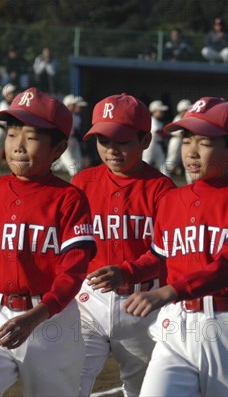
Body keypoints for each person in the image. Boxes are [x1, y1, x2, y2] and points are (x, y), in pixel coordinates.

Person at [122, 97, 228, 395]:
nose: (191, 150)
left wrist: (168, 291)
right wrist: (126, 272)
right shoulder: (171, 200)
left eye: (205, 142)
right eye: (187, 139)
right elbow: (159, 257)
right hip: (176, 322)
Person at [0, 87, 96, 396]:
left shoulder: (69, 199)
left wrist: (37, 315)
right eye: (11, 134)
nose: (18, 146)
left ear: (59, 148)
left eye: (31, 137)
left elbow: (73, 273)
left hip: (50, 321)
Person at [72, 93, 176, 397]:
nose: (111, 149)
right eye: (103, 140)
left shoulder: (162, 190)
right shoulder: (82, 183)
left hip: (143, 303)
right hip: (88, 301)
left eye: (122, 141)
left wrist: (128, 271)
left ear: (145, 140)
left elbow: (167, 252)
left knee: (144, 389)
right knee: (69, 381)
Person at [53, 94, 87, 177]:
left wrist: (81, 141)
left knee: (78, 163)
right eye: (76, 105)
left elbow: (76, 131)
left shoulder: (76, 117)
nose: (79, 107)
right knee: (71, 164)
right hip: (63, 140)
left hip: (72, 140)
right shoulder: (60, 115)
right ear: (70, 105)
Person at [164, 98, 191, 178]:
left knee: (185, 161)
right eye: (186, 110)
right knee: (171, 161)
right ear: (181, 111)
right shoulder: (178, 118)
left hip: (183, 142)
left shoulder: (187, 118)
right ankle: (166, 177)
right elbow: (178, 133)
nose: (187, 111)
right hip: (176, 141)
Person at [142, 100, 168, 173]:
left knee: (162, 163)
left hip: (157, 144)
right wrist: (170, 135)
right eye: (160, 111)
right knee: (145, 162)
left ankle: (168, 180)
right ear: (154, 111)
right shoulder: (152, 120)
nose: (162, 112)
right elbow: (158, 132)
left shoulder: (159, 121)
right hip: (150, 145)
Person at [0, 83, 18, 159]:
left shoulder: (10, 105)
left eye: (13, 92)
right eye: (11, 93)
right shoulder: (3, 105)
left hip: (4, 131)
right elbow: (5, 122)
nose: (13, 95)